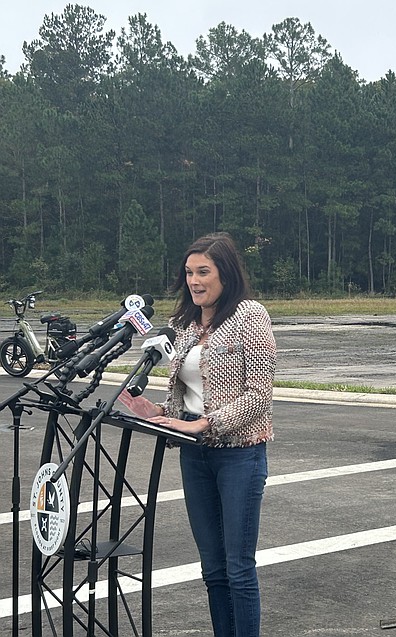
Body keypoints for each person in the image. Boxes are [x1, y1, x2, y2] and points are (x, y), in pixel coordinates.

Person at [121, 232, 276, 636]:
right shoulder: (184, 323)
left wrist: (205, 423)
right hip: (194, 453)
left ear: (225, 273)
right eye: (189, 272)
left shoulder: (249, 316)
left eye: (203, 272)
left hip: (239, 453)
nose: (193, 280)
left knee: (238, 568)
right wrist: (157, 412)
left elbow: (259, 396)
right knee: (213, 569)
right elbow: (188, 394)